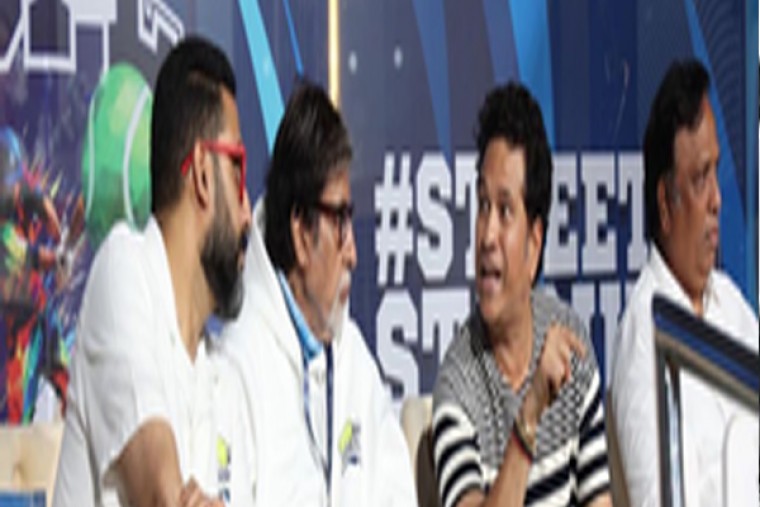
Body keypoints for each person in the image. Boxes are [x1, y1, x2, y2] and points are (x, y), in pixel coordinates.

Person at [54, 36, 254, 506]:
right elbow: (160, 495)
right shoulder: (123, 270)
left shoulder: (223, 381)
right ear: (202, 172)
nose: (248, 211)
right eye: (238, 170)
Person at [221, 81, 416, 506]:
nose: (354, 253)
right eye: (340, 220)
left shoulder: (355, 358)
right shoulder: (238, 366)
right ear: (300, 233)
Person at [432, 82, 611, 507]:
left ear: (534, 242)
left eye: (505, 210)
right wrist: (529, 415)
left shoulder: (569, 345)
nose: (487, 235)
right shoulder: (458, 384)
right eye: (482, 206)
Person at [610, 59, 759, 507]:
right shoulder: (646, 334)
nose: (717, 199)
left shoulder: (730, 304)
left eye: (716, 171)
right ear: (665, 201)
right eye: (699, 179)